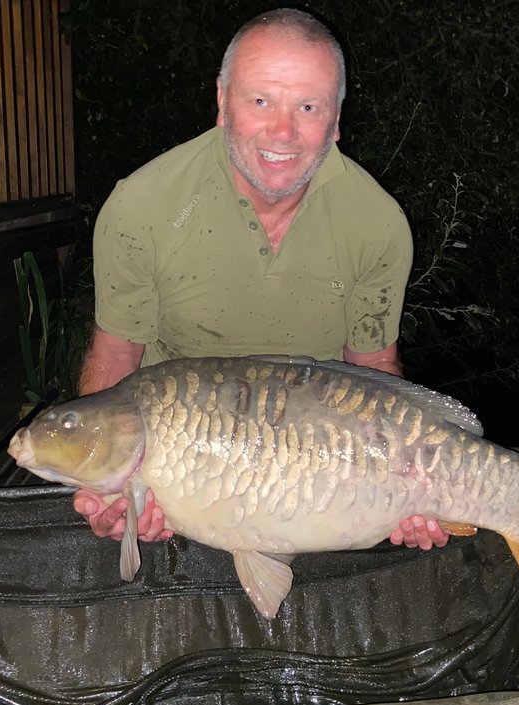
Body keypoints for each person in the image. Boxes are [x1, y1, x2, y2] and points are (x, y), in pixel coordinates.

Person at [73, 8, 448, 551]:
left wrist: (404, 487)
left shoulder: (377, 224)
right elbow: (115, 352)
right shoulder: (142, 207)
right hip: (176, 462)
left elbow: (375, 371)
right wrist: (103, 481)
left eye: (308, 106)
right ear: (222, 101)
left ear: (337, 119)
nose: (283, 132)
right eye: (260, 101)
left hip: (316, 470)